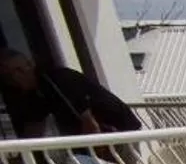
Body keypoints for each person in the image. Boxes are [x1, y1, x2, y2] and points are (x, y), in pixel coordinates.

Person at [0, 48, 140, 139]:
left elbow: (89, 122)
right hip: (96, 136)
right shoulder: (34, 95)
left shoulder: (57, 81)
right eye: (8, 75)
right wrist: (21, 157)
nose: (15, 78)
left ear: (30, 65)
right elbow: (34, 129)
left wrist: (96, 154)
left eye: (19, 70)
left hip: (119, 131)